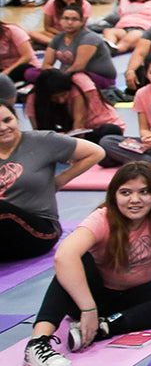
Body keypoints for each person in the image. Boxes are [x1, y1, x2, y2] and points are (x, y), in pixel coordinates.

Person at [21, 164, 151, 366]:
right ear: (114, 196)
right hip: (90, 295)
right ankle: (37, 344)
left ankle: (105, 327)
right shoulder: (102, 218)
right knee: (75, 261)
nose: (134, 200)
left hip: (133, 295)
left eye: (144, 192)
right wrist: (88, 309)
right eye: (126, 193)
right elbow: (64, 256)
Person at [0, 108, 104, 260]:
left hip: (40, 231)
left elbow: (96, 152)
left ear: (16, 117)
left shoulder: (43, 141)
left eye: (7, 120)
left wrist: (58, 182)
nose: (3, 128)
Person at [25, 69, 122, 144]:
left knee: (110, 131)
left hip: (93, 130)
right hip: (65, 136)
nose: (61, 101)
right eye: (55, 98)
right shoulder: (33, 98)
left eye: (64, 95)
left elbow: (79, 123)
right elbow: (38, 132)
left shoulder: (79, 82)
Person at [41, 4, 116, 90]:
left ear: (81, 22)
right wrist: (53, 75)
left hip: (97, 78)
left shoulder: (89, 38)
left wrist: (57, 78)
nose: (69, 23)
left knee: (77, 78)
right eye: (66, 19)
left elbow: (78, 67)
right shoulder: (58, 38)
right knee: (33, 73)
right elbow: (46, 65)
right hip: (67, 74)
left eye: (74, 19)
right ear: (60, 21)